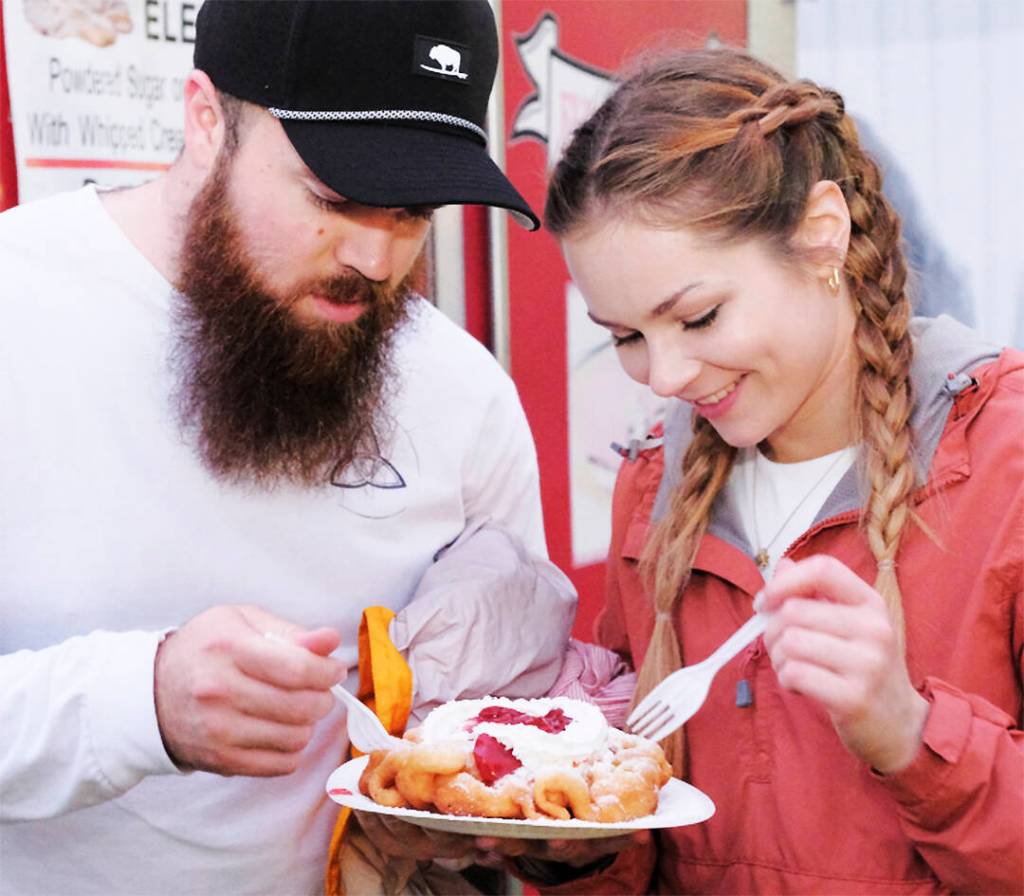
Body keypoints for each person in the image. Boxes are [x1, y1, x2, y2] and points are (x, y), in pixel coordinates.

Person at [365, 46, 1023, 893]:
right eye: (628, 337)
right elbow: (644, 827)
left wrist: (907, 732)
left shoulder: (1000, 460)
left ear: (823, 235)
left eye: (699, 316)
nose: (666, 379)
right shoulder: (654, 490)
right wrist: (572, 845)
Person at [0, 2, 565, 894]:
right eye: (333, 199)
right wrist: (141, 703)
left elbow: (521, 713)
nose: (376, 259)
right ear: (203, 121)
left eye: (414, 212)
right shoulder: (18, 308)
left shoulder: (465, 395)